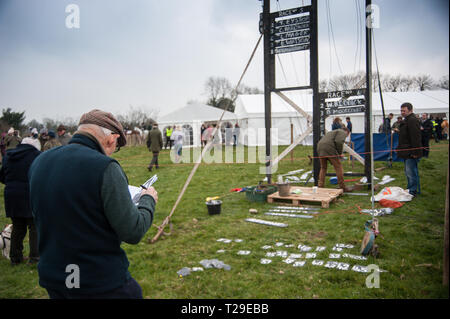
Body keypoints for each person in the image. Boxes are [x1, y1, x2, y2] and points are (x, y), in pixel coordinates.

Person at [28, 109, 158, 299]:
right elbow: (133, 230)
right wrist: (148, 199)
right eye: (116, 146)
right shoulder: (105, 167)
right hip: (98, 281)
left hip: (56, 277)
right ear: (111, 139)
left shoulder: (40, 161)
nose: (114, 151)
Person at [0, 137, 41, 265]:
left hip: (11, 194)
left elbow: (2, 176)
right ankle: (34, 257)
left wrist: (12, 184)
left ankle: (15, 258)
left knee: (18, 227)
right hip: (29, 193)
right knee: (33, 226)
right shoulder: (36, 156)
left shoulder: (8, 156)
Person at [396, 102, 422, 197]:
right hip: (406, 150)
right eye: (401, 110)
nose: (402, 112)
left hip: (411, 151)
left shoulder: (412, 120)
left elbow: (415, 137)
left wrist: (415, 152)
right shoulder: (407, 120)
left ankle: (412, 190)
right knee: (408, 172)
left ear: (410, 110)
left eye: (404, 110)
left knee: (411, 172)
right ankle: (411, 188)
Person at [317, 127, 353, 192]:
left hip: (320, 146)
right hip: (329, 148)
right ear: (347, 132)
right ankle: (342, 187)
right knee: (338, 167)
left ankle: (320, 186)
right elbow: (338, 141)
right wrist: (339, 153)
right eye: (347, 135)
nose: (346, 136)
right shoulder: (342, 132)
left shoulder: (333, 132)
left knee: (323, 168)